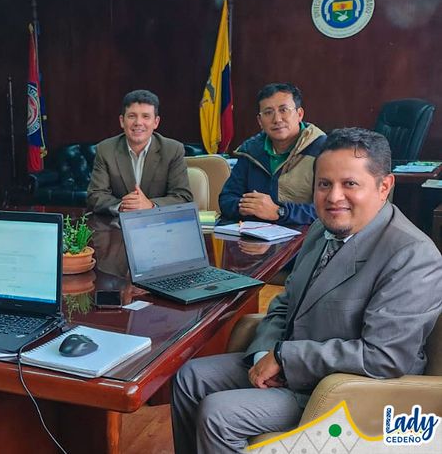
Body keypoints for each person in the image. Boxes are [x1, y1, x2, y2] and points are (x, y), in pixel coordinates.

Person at [172, 128, 442, 453]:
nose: (333, 197)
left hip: (348, 391)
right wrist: (263, 354)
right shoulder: (319, 229)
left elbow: (384, 357)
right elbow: (285, 304)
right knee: (189, 378)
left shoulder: (412, 255)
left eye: (350, 184)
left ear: (384, 186)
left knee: (219, 414)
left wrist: (285, 359)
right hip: (293, 367)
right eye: (324, 184)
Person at [219, 83, 326, 225]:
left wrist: (279, 212)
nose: (277, 119)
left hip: (305, 236)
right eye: (268, 112)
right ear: (260, 121)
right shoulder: (251, 151)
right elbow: (226, 199)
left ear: (299, 114)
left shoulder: (323, 150)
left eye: (284, 110)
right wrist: (249, 207)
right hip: (255, 233)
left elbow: (330, 209)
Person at [86, 89, 192, 214]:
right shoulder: (105, 150)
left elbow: (183, 196)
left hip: (158, 223)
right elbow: (95, 195)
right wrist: (123, 206)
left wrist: (151, 205)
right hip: (118, 223)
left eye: (146, 116)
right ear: (122, 121)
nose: (138, 123)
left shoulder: (173, 150)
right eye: (132, 116)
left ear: (156, 122)